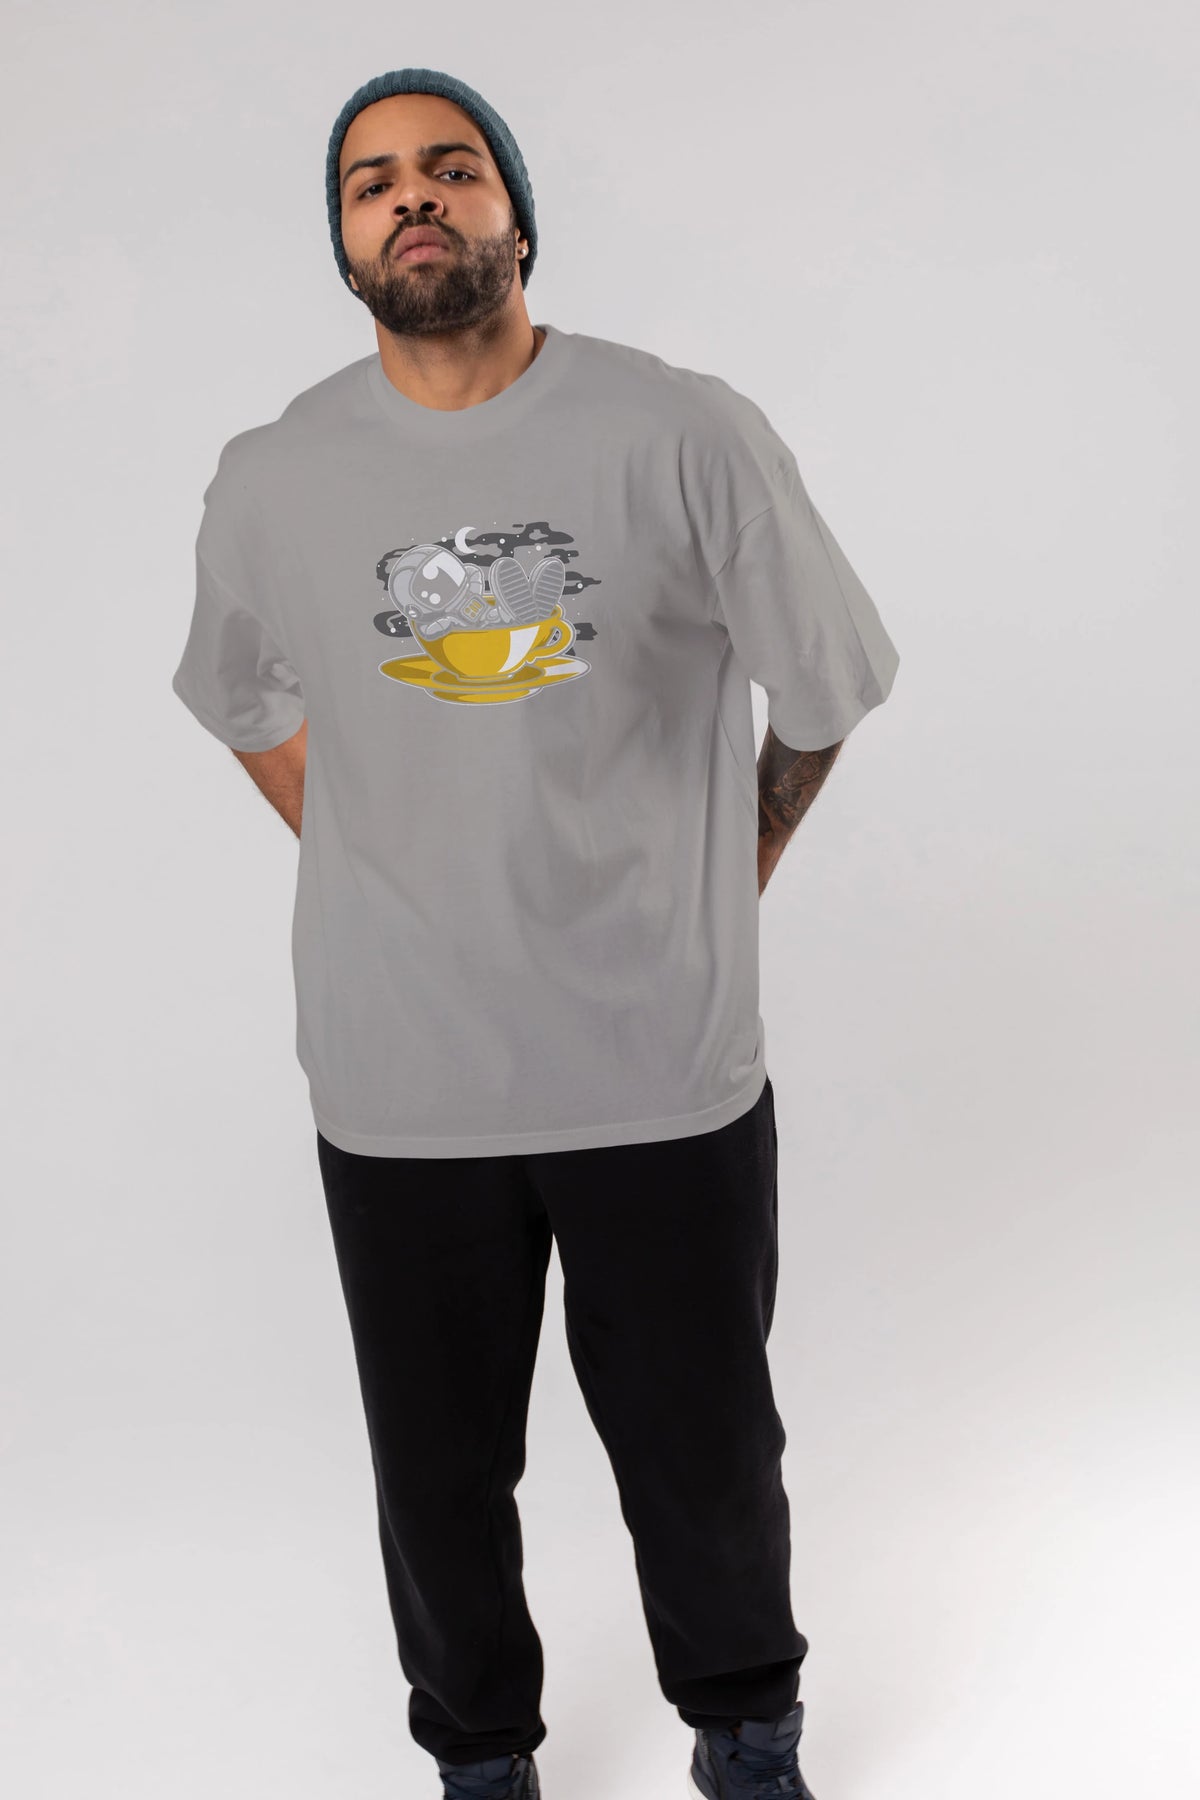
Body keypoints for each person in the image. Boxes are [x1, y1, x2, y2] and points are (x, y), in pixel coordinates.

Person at [170, 66, 900, 1800]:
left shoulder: (682, 432)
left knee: (705, 1450)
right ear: (344, 242)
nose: (413, 197)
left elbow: (826, 685)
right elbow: (241, 698)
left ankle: (747, 1732)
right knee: (435, 1475)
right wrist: (377, 850)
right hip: (400, 1081)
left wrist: (736, 864)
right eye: (372, 183)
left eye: (452, 167)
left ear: (516, 213)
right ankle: (481, 1760)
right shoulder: (273, 475)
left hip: (659, 1062)